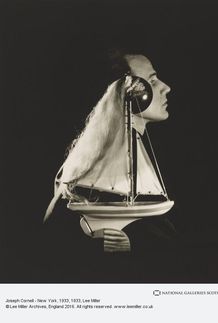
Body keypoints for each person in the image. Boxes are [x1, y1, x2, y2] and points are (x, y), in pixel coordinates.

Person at [44, 49, 177, 254]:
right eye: (152, 80)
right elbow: (53, 237)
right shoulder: (87, 172)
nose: (166, 88)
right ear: (126, 92)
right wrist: (98, 240)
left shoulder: (150, 151)